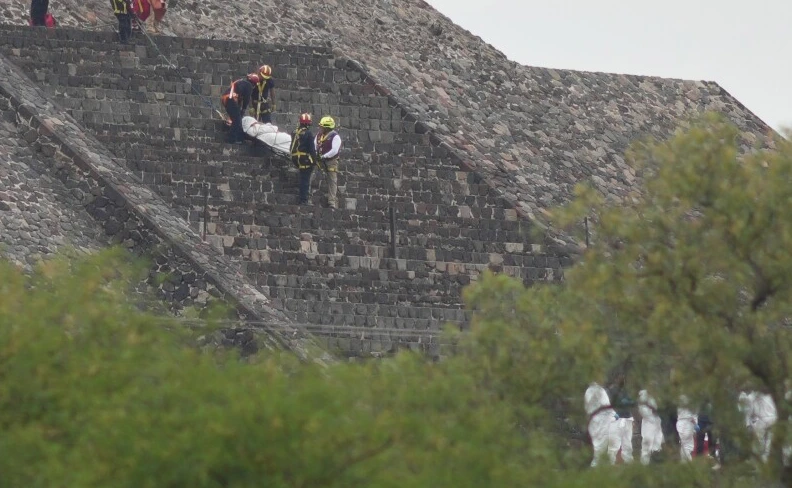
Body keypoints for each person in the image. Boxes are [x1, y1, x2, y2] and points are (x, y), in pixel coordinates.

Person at [585, 382, 619, 467]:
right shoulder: (598, 390)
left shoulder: (589, 391)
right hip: (601, 422)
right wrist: (613, 414)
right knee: (601, 448)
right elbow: (606, 406)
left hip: (595, 422)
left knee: (599, 447)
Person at [738, 391, 778, 463]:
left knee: (763, 445)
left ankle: (764, 462)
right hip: (768, 421)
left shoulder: (753, 397)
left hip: (763, 421)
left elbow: (749, 413)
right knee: (766, 445)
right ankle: (765, 462)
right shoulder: (771, 395)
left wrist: (748, 424)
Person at [221, 74, 258, 144]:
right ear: (254, 84)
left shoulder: (242, 83)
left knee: (236, 119)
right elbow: (246, 99)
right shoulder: (249, 86)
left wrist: (239, 111)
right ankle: (231, 139)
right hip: (230, 99)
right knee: (237, 120)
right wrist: (243, 109)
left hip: (226, 98)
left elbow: (239, 98)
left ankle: (239, 138)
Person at [290, 113, 318, 205]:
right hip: (305, 159)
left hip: (296, 158)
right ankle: (303, 200)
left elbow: (291, 146)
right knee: (305, 179)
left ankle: (302, 198)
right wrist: (314, 161)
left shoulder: (295, 132)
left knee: (302, 177)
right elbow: (311, 149)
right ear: (308, 123)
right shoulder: (308, 133)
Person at [315, 116, 342, 208]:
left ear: (326, 128)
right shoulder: (319, 135)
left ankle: (332, 202)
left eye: (322, 126)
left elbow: (334, 150)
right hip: (319, 159)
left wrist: (324, 156)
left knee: (332, 180)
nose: (320, 128)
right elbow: (315, 145)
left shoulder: (335, 137)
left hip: (331, 161)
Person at [638, 389, 664, 465]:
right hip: (649, 422)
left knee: (658, 443)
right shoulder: (643, 396)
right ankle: (644, 464)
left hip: (658, 421)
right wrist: (652, 415)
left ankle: (656, 463)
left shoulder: (657, 395)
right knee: (647, 444)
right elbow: (642, 410)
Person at [676, 395, 698, 462]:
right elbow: (693, 414)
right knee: (686, 444)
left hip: (685, 422)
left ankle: (684, 462)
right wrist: (695, 424)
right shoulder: (685, 397)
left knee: (686, 444)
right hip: (686, 422)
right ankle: (687, 462)